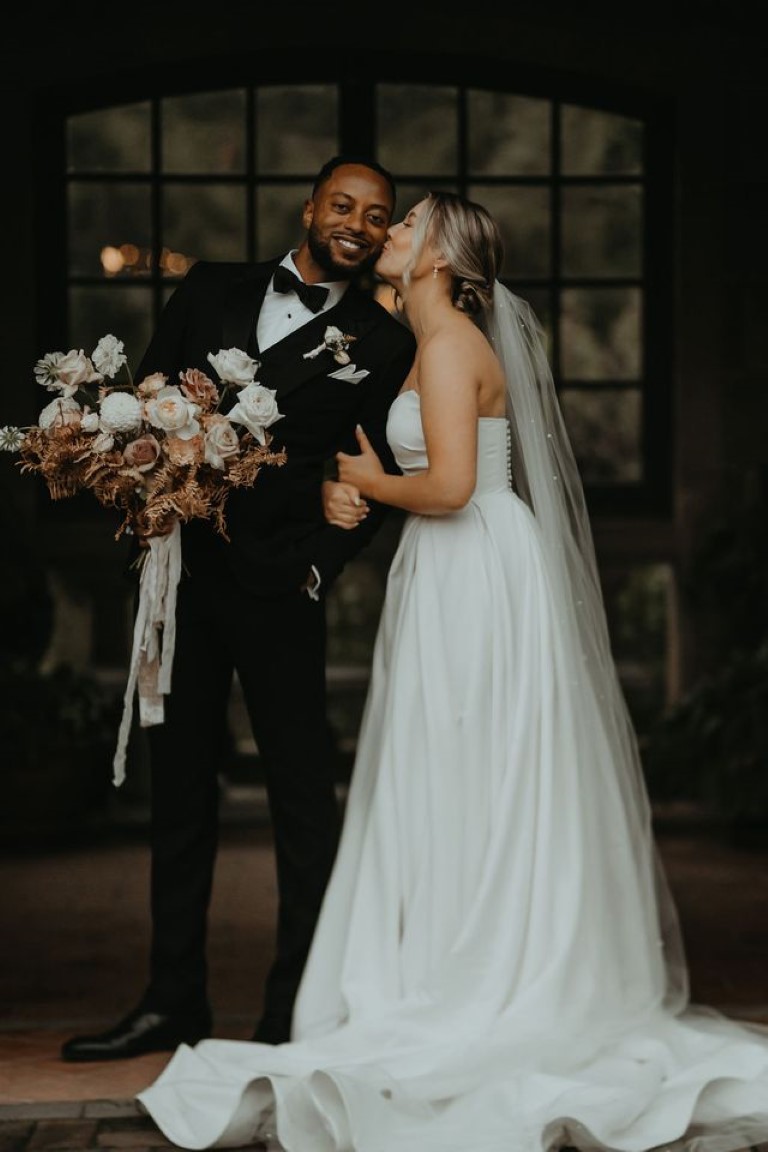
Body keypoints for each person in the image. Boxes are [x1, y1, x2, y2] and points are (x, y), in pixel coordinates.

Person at [136, 191, 768, 1152]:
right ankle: (457, 951)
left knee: (465, 761)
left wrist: (362, 483)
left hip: (471, 568)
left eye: (405, 224)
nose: (387, 234)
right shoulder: (429, 340)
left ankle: (473, 973)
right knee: (455, 768)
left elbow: (450, 486)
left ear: (437, 258)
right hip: (458, 567)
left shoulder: (445, 347)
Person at [60, 156, 417, 1062]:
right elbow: (139, 404)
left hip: (277, 589)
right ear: (309, 208)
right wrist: (136, 488)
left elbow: (380, 469)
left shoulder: (382, 342)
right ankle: (171, 998)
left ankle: (294, 1010)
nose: (357, 224)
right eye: (343, 204)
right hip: (178, 580)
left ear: (382, 236)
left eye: (377, 216)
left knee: (304, 801)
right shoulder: (211, 288)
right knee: (178, 798)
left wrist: (318, 569)